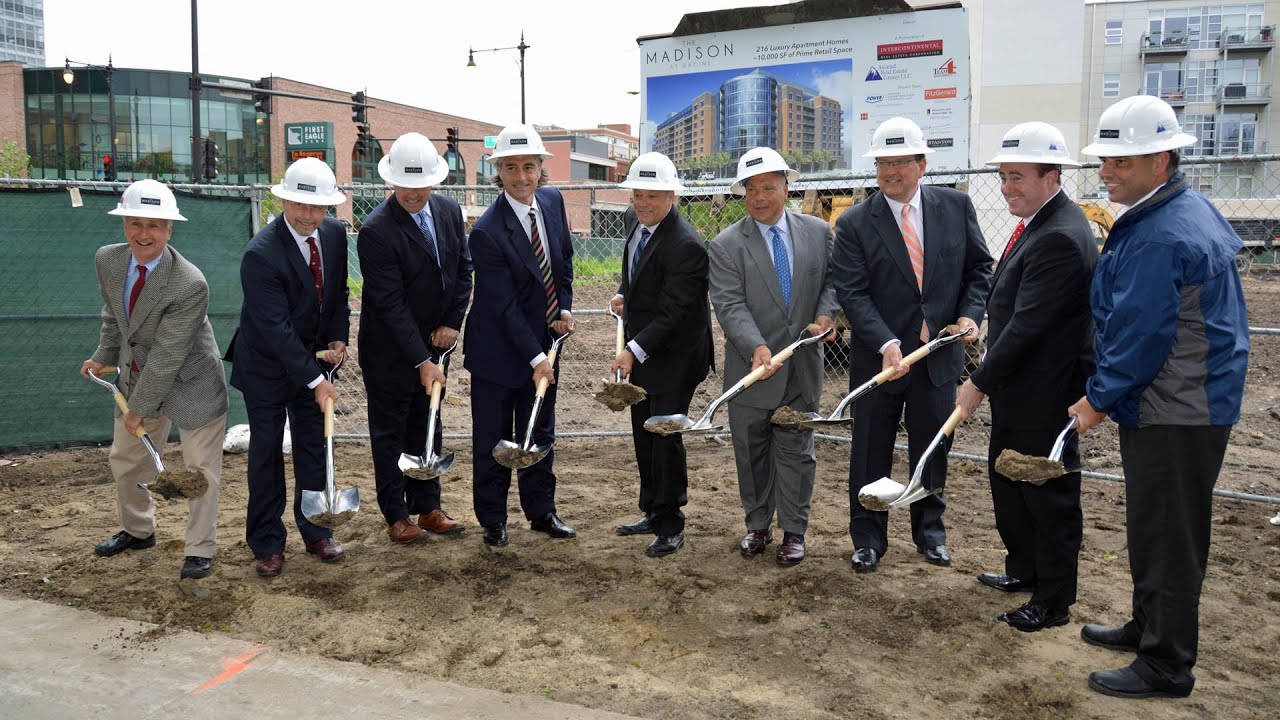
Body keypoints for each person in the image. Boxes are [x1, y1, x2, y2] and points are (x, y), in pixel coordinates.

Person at [1068, 95, 1249, 699]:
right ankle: (1148, 627)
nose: (1107, 172)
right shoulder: (1171, 211)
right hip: (1183, 398)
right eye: (1106, 160)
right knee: (1154, 525)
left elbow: (1142, 335)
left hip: (1178, 404)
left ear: (1161, 159)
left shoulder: (1158, 234)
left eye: (1122, 161)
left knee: (1170, 535)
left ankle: (1167, 665)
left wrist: (1097, 398)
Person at [832, 116, 992, 573]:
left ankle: (930, 533)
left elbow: (980, 269)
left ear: (922, 164)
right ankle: (867, 537)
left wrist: (969, 315)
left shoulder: (955, 207)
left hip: (938, 357)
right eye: (883, 162)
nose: (890, 172)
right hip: (881, 360)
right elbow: (852, 292)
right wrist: (884, 341)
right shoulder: (856, 223)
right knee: (869, 449)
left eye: (901, 161)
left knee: (933, 446)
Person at [955, 122, 1097, 631]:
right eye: (1003, 176)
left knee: (1046, 495)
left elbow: (1026, 325)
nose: (1006, 187)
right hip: (1021, 390)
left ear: (1051, 175)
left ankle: (1053, 599)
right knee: (1009, 483)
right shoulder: (1039, 223)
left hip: (1046, 394)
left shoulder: (1061, 235)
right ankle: (1025, 570)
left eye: (1017, 177)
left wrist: (977, 383)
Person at [81, 179, 228, 580]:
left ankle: (199, 550)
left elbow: (168, 355)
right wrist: (104, 356)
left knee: (198, 472)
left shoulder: (189, 282)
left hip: (192, 383)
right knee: (127, 459)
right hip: (137, 377)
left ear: (169, 229)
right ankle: (138, 529)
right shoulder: (108, 261)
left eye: (155, 225)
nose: (144, 234)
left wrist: (139, 409)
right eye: (135, 223)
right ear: (124, 224)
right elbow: (114, 316)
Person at [707, 147, 838, 566]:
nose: (760, 197)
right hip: (751, 369)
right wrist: (756, 347)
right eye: (751, 190)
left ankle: (794, 532)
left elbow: (833, 282)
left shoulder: (818, 232)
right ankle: (757, 525)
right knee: (752, 450)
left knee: (798, 451)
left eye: (768, 187)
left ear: (787, 186)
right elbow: (729, 305)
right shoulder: (727, 245)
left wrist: (825, 313)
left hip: (801, 368)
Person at [226, 158, 350, 577]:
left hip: (311, 362)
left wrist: (337, 338)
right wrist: (316, 379)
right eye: (300, 205)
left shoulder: (332, 234)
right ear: (282, 199)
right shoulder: (260, 254)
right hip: (265, 367)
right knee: (266, 454)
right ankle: (267, 542)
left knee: (313, 446)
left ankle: (316, 531)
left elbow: (334, 296)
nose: (308, 216)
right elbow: (275, 329)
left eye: (318, 208)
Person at [464, 124, 576, 547]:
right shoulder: (487, 231)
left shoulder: (551, 201)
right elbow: (503, 306)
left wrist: (563, 308)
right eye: (511, 168)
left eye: (529, 166)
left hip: (543, 343)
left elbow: (563, 259)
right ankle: (493, 519)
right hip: (499, 352)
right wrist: (536, 359)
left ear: (541, 168)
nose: (522, 176)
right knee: (494, 438)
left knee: (539, 431)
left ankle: (541, 511)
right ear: (499, 172)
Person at [357, 133, 468, 544]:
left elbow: (463, 270)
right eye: (405, 183)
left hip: (437, 343)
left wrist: (452, 323)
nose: (413, 192)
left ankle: (428, 507)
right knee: (390, 433)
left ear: (434, 181)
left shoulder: (448, 211)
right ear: (391, 180)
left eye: (421, 183)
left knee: (429, 423)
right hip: (390, 349)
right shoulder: (376, 231)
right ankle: (396, 514)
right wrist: (422, 360)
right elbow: (390, 304)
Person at [609, 152, 712, 558]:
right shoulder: (637, 224)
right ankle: (652, 509)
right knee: (642, 434)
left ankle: (671, 523)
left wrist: (632, 350)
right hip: (646, 352)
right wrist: (623, 296)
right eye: (637, 194)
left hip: (675, 358)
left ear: (672, 195)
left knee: (664, 438)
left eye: (653, 195)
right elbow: (634, 274)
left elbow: (673, 313)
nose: (643, 203)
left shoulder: (686, 245)